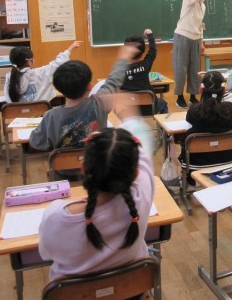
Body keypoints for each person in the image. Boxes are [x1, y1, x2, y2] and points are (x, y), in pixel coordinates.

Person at [39, 115, 156, 289]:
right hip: (130, 291)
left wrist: (104, 144)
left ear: (83, 167)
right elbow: (143, 156)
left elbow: (46, 254)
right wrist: (119, 138)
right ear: (135, 175)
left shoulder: (55, 217)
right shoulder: (141, 198)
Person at [28, 44, 138, 151]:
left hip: (66, 164)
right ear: (90, 86)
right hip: (97, 162)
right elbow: (114, 81)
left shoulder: (51, 116)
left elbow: (36, 142)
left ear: (59, 89)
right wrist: (123, 59)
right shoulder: (99, 103)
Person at [172, 0, 228, 109]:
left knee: (195, 69)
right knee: (181, 69)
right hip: (182, 36)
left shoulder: (203, 5)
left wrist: (201, 42)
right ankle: (179, 97)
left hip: (196, 39)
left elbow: (200, 25)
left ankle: (193, 96)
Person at [184, 71, 232, 172]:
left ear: (201, 89)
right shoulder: (231, 108)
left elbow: (189, 120)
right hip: (229, 160)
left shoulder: (193, 110)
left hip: (197, 162)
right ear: (224, 90)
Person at [4, 41, 82, 103]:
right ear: (29, 62)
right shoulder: (42, 72)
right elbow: (59, 62)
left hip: (17, 117)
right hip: (41, 116)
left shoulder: (9, 77)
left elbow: (8, 100)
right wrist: (71, 47)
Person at [121, 28, 168, 115]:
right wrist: (150, 34)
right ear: (142, 53)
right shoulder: (145, 65)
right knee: (163, 104)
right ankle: (161, 123)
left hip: (129, 111)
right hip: (148, 109)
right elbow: (153, 51)